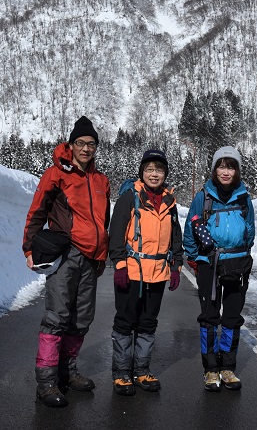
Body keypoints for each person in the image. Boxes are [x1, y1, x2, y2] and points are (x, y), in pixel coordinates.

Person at [22, 116, 110, 408]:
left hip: (91, 258)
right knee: (57, 317)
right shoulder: (56, 174)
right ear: (71, 145)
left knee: (82, 318)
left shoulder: (101, 180)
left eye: (91, 144)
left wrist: (102, 255)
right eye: (81, 143)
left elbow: (103, 222)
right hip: (66, 254)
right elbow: (37, 211)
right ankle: (46, 383)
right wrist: (29, 248)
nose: (86, 148)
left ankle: (67, 371)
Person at [108, 149, 184, 396]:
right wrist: (119, 265)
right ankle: (121, 372)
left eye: (159, 170)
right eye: (149, 169)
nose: (154, 174)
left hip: (158, 274)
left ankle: (141, 370)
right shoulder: (129, 198)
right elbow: (116, 234)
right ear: (142, 172)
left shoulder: (170, 202)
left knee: (148, 322)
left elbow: (175, 236)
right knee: (125, 321)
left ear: (165, 174)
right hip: (132, 272)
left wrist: (176, 265)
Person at [183, 146, 256, 392]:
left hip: (237, 263)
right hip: (210, 263)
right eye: (222, 166)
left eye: (231, 167)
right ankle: (211, 368)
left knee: (232, 317)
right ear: (214, 169)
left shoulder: (244, 197)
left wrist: (243, 252)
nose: (226, 172)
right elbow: (190, 229)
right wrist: (196, 259)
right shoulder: (203, 197)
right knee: (210, 317)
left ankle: (228, 367)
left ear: (237, 171)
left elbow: (250, 229)